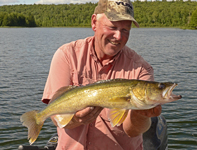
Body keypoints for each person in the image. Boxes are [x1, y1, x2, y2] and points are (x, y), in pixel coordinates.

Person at [42, 0, 162, 149]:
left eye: (125, 30)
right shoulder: (66, 55)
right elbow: (56, 115)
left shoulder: (142, 69)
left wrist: (141, 114)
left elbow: (132, 131)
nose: (118, 36)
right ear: (94, 23)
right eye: (112, 27)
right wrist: (76, 119)